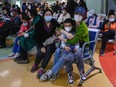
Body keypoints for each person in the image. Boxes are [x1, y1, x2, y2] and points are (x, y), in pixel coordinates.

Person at [40, 18, 79, 84]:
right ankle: (55, 73)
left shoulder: (75, 34)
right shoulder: (64, 33)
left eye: (69, 26)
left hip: (71, 52)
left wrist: (73, 48)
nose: (67, 27)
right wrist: (65, 46)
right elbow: (62, 44)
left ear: (72, 26)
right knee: (58, 50)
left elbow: (77, 45)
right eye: (65, 26)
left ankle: (51, 73)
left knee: (63, 57)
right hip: (64, 50)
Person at [30, 9, 61, 78]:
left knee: (49, 50)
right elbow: (36, 37)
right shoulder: (39, 24)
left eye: (49, 14)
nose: (48, 16)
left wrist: (58, 31)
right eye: (46, 15)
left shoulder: (53, 22)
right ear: (43, 16)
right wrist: (41, 46)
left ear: (52, 16)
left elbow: (61, 27)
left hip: (50, 42)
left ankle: (42, 68)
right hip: (41, 43)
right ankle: (35, 64)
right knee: (41, 53)